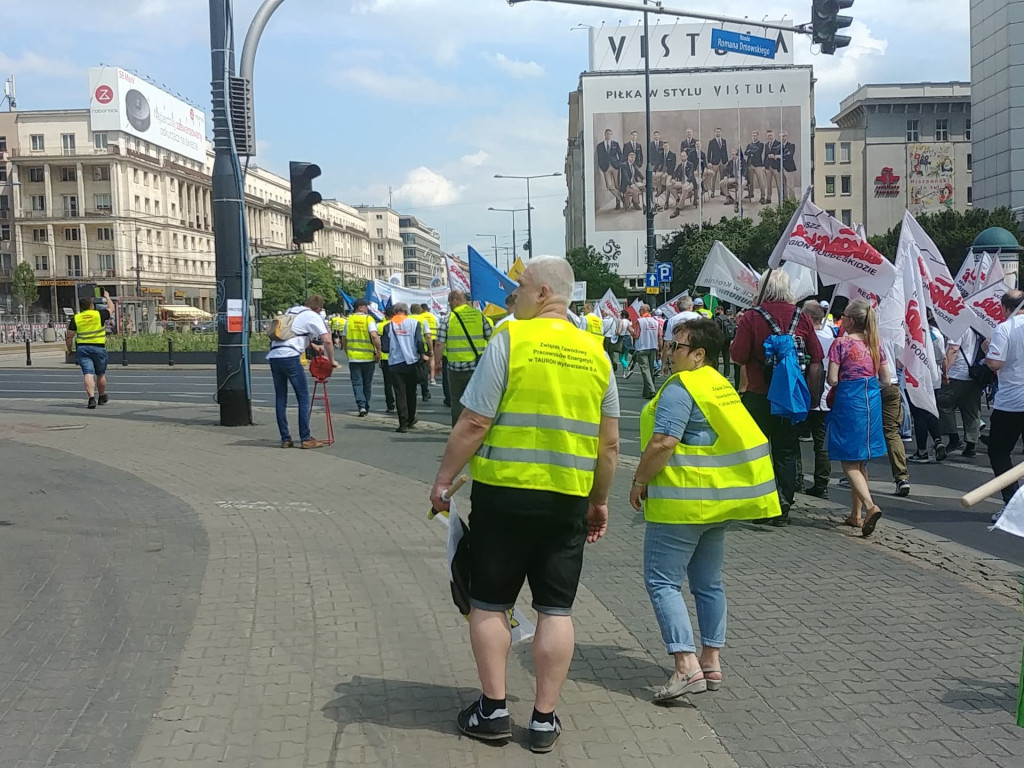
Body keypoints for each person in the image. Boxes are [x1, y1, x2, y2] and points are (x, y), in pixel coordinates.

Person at [429, 257, 620, 753]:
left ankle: (492, 711)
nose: (513, 295)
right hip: (566, 502)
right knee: (556, 609)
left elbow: (474, 423)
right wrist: (598, 503)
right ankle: (542, 720)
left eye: (519, 287)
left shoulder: (510, 340)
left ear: (542, 293)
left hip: (504, 498)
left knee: (489, 602)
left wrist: (444, 480)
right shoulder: (597, 355)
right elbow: (609, 446)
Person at [631, 318, 779, 702]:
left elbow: (664, 442)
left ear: (698, 355)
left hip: (681, 504)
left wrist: (638, 481)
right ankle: (710, 660)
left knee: (662, 582)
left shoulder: (681, 388)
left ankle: (685, 667)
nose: (668, 352)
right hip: (717, 503)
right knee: (708, 583)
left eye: (676, 347)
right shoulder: (717, 383)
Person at [730, 270, 824, 523]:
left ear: (763, 289)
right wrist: (813, 398)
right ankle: (785, 500)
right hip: (791, 395)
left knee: (758, 450)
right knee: (786, 450)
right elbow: (816, 358)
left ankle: (764, 502)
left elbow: (738, 356)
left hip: (759, 394)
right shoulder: (801, 317)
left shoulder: (751, 317)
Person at [826, 299, 888, 537]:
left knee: (848, 460)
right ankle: (856, 514)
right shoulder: (875, 344)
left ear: (850, 320)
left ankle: (871, 507)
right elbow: (886, 377)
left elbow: (832, 379)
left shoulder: (841, 344)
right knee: (861, 460)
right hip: (871, 401)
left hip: (849, 402)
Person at [266, 295, 338, 449]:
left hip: (274, 356)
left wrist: (311, 345)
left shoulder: (291, 311)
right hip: (291, 358)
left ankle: (285, 438)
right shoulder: (313, 316)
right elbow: (327, 340)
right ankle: (305, 438)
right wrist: (331, 360)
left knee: (280, 397)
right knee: (303, 397)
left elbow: (292, 333)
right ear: (319, 309)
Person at [985, 290, 1024, 522]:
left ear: (1004, 308)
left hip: (1012, 401)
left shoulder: (1005, 328)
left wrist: (986, 350)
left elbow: (995, 363)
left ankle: (1013, 505)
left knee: (999, 451)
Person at [434, 290, 493, 426]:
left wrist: (437, 363)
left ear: (454, 300)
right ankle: (474, 428)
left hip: (455, 367)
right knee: (475, 399)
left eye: (450, 302)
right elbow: (491, 336)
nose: (450, 305)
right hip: (477, 366)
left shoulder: (449, 318)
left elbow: (439, 343)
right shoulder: (479, 315)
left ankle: (457, 429)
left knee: (456, 400)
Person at [800, 300, 834, 498]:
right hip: (826, 397)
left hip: (806, 395)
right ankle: (822, 483)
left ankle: (797, 480)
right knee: (821, 443)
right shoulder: (832, 339)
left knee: (794, 437)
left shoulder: (806, 339)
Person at [909, 313, 948, 464]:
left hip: (916, 377)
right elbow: (943, 357)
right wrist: (945, 374)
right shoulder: (936, 333)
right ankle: (938, 441)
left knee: (919, 413)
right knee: (931, 411)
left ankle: (922, 451)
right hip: (934, 376)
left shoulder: (912, 332)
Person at [939, 328, 984, 458]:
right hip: (975, 375)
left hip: (957, 374)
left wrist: (945, 371)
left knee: (944, 404)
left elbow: (953, 350)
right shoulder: (980, 328)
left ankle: (954, 439)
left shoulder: (960, 328)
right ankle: (971, 446)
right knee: (972, 411)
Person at [386, 302, 429, 433]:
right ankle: (411, 419)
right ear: (406, 311)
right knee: (411, 392)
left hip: (395, 363)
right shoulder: (414, 323)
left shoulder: (389, 325)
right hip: (412, 361)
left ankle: (402, 423)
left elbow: (385, 346)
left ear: (395, 312)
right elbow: (419, 341)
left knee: (400, 393)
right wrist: (422, 354)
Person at [66, 293, 112, 409]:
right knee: (100, 374)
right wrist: (107, 297)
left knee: (88, 373)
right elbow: (111, 308)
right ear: (92, 305)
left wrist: (70, 350)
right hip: (99, 347)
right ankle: (101, 396)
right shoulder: (99, 314)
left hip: (83, 349)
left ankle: (91, 398)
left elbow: (69, 336)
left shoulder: (76, 318)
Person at [342, 299, 381, 417]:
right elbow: (374, 336)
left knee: (357, 383)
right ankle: (366, 406)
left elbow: (344, 339)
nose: (367, 309)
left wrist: (347, 351)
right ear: (360, 307)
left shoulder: (349, 320)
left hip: (354, 357)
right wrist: (378, 350)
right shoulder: (369, 319)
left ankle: (361, 405)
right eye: (366, 306)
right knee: (367, 383)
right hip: (368, 357)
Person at [662, 297, 701, 373]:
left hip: (677, 354)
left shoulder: (672, 320)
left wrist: (664, 363)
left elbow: (667, 344)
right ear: (690, 306)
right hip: (695, 354)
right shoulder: (699, 318)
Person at [633, 304, 661, 399]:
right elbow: (660, 336)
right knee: (650, 370)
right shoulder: (655, 321)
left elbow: (636, 335)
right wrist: (660, 348)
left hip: (642, 347)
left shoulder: (639, 321)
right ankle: (646, 392)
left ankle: (652, 390)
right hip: (653, 347)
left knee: (645, 370)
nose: (639, 311)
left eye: (640, 309)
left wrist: (630, 330)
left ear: (644, 310)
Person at [410, 303, 434, 401]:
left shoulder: (407, 319)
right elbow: (428, 336)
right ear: (420, 310)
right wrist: (431, 349)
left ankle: (412, 392)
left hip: (409, 349)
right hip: (421, 349)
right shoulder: (423, 320)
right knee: (423, 371)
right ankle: (425, 393)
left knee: (411, 371)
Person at [596, 129, 622, 210]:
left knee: (617, 185)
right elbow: (599, 158)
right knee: (609, 186)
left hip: (615, 166)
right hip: (606, 168)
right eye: (607, 134)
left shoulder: (615, 144)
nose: (609, 135)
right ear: (605, 134)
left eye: (610, 134)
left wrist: (619, 164)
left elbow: (620, 155)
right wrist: (602, 167)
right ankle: (621, 198)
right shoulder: (600, 146)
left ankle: (618, 203)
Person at [378, 306, 397, 413]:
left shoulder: (380, 326)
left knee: (388, 384)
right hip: (397, 358)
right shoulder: (398, 325)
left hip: (385, 357)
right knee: (399, 383)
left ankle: (390, 405)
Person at [416, 303, 439, 388]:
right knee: (432, 359)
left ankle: (420, 377)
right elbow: (438, 327)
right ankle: (432, 378)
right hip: (433, 338)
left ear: (422, 309)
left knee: (422, 359)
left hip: (423, 339)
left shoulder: (421, 317)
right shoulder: (433, 316)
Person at [744, 130, 766, 204]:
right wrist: (751, 151)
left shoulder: (761, 144)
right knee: (750, 181)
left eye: (755, 135)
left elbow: (758, 152)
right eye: (753, 136)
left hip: (758, 165)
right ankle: (751, 193)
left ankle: (763, 196)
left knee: (761, 181)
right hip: (750, 165)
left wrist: (750, 151)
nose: (754, 137)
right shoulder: (749, 144)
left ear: (758, 136)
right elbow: (745, 152)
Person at [706, 128, 728, 198]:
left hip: (723, 161)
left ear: (721, 133)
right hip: (715, 162)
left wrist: (726, 161)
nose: (718, 133)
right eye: (716, 132)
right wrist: (709, 162)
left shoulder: (724, 141)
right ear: (714, 133)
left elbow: (725, 151)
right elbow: (709, 153)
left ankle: (722, 191)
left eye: (719, 132)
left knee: (722, 177)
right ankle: (712, 192)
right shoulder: (711, 142)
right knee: (714, 178)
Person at [763, 129, 782, 204]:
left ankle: (781, 199)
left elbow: (780, 155)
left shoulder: (778, 143)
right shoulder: (766, 144)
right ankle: (768, 198)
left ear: (774, 135)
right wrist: (764, 166)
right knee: (768, 184)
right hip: (768, 167)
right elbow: (765, 155)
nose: (769, 137)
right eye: (768, 136)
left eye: (770, 135)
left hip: (776, 167)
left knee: (778, 184)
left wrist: (774, 156)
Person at [780, 131, 798, 201]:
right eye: (781, 136)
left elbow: (789, 156)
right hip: (781, 168)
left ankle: (793, 201)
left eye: (784, 136)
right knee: (783, 185)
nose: (782, 138)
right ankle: (785, 200)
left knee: (790, 186)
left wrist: (779, 156)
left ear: (786, 137)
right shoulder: (779, 146)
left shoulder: (791, 145)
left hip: (789, 168)